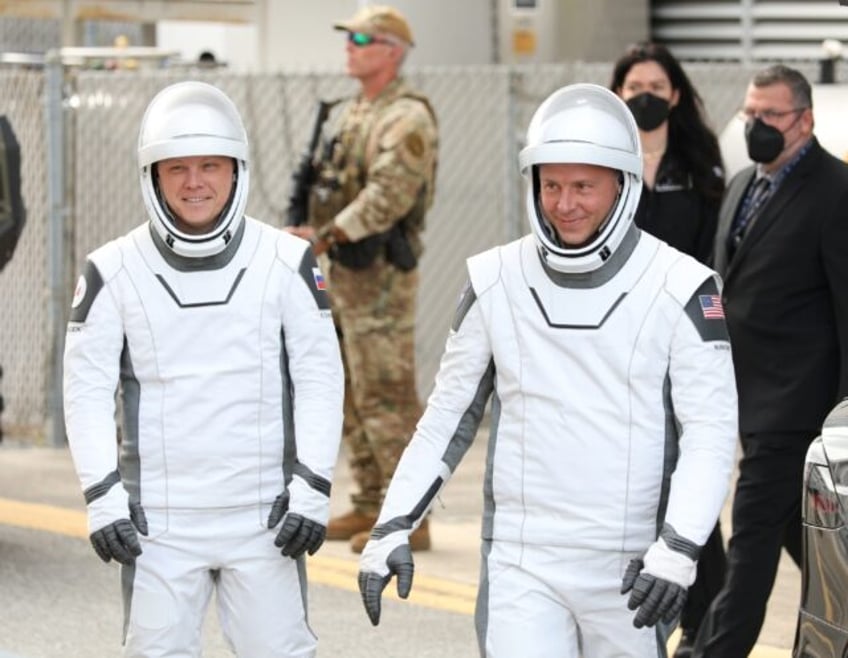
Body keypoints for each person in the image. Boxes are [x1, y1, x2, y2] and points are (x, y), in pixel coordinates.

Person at [357, 83, 738, 657]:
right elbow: (446, 420)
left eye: (584, 186)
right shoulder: (494, 279)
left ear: (623, 183)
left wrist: (678, 548)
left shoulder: (682, 287)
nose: (565, 204)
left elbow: (710, 433)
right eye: (551, 184)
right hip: (521, 558)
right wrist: (392, 524)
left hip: (631, 564)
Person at [62, 81, 344, 657]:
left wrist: (313, 486)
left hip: (267, 515)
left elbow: (319, 377)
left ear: (236, 169)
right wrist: (102, 495)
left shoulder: (287, 261)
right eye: (178, 169)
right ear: (153, 177)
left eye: (210, 166)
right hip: (157, 524)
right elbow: (86, 389)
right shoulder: (112, 269)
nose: (195, 183)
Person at [691, 64, 848, 657]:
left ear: (804, 121)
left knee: (749, 545)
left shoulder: (836, 192)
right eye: (749, 114)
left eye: (770, 116)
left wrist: (842, 417)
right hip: (746, 401)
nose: (756, 125)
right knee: (802, 540)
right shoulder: (741, 186)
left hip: (798, 410)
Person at [285, 4, 438, 554]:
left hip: (380, 279)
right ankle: (372, 499)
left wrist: (324, 236)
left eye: (360, 37)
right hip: (346, 273)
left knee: (387, 397)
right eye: (348, 36)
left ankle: (409, 515)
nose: (348, 45)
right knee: (351, 391)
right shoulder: (356, 111)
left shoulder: (407, 118)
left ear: (392, 50)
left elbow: (387, 196)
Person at [610, 41, 727, 657]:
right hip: (617, 344)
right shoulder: (607, 166)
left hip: (682, 343)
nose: (645, 95)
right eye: (634, 87)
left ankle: (703, 622)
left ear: (675, 94)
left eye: (656, 85)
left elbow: (714, 262)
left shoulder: (700, 168)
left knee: (690, 474)